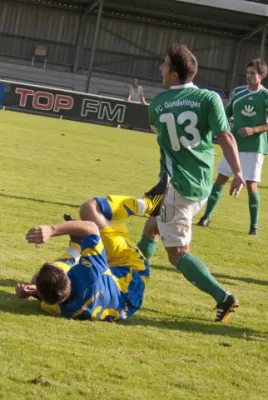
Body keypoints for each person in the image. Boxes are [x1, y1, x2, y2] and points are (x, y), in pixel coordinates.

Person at [138, 43, 245, 323]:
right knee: (151, 228)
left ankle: (223, 296)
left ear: (174, 74)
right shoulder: (209, 99)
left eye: (164, 65)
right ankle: (128, 278)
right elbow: (226, 137)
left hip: (176, 187)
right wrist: (237, 173)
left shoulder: (158, 105)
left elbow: (159, 133)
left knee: (177, 255)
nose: (161, 68)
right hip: (201, 185)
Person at [15, 175, 168, 321]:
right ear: (67, 274)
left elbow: (49, 297)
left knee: (37, 279)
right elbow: (91, 227)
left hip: (126, 305)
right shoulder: (89, 273)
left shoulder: (56, 309)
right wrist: (52, 230)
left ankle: (77, 244)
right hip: (132, 273)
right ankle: (149, 203)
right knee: (89, 210)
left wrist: (35, 292)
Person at [198, 58, 268, 235]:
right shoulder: (237, 92)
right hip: (234, 144)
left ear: (262, 75)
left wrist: (254, 129)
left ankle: (254, 227)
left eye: (253, 73)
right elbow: (225, 114)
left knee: (251, 185)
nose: (248, 75)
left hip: (255, 146)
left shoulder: (265, 96)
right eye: (248, 72)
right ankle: (206, 217)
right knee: (221, 178)